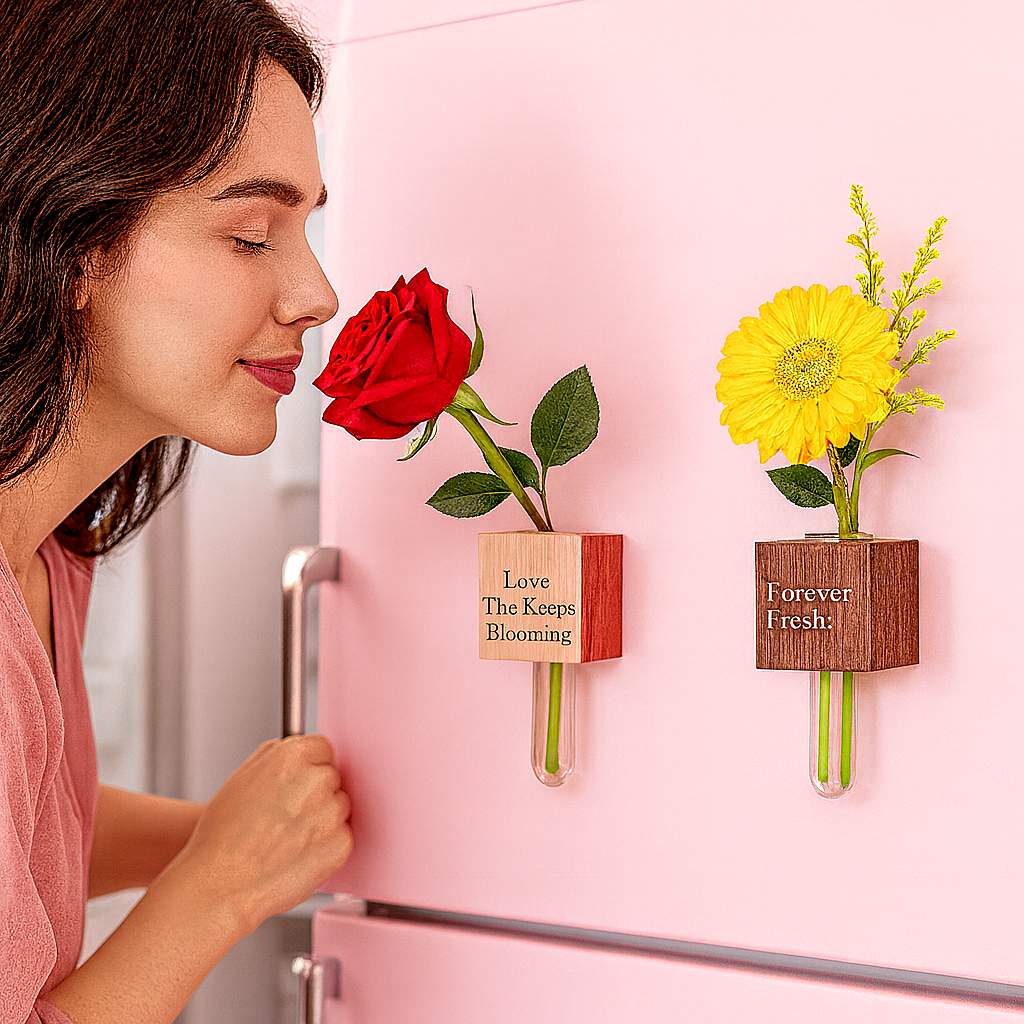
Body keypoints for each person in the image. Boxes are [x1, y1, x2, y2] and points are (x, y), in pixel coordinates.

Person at [0, 2, 353, 1021]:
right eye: (251, 234)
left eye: (305, 227)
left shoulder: (51, 547)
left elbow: (32, 816)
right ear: (69, 246)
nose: (315, 290)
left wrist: (234, 835)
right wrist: (219, 883)